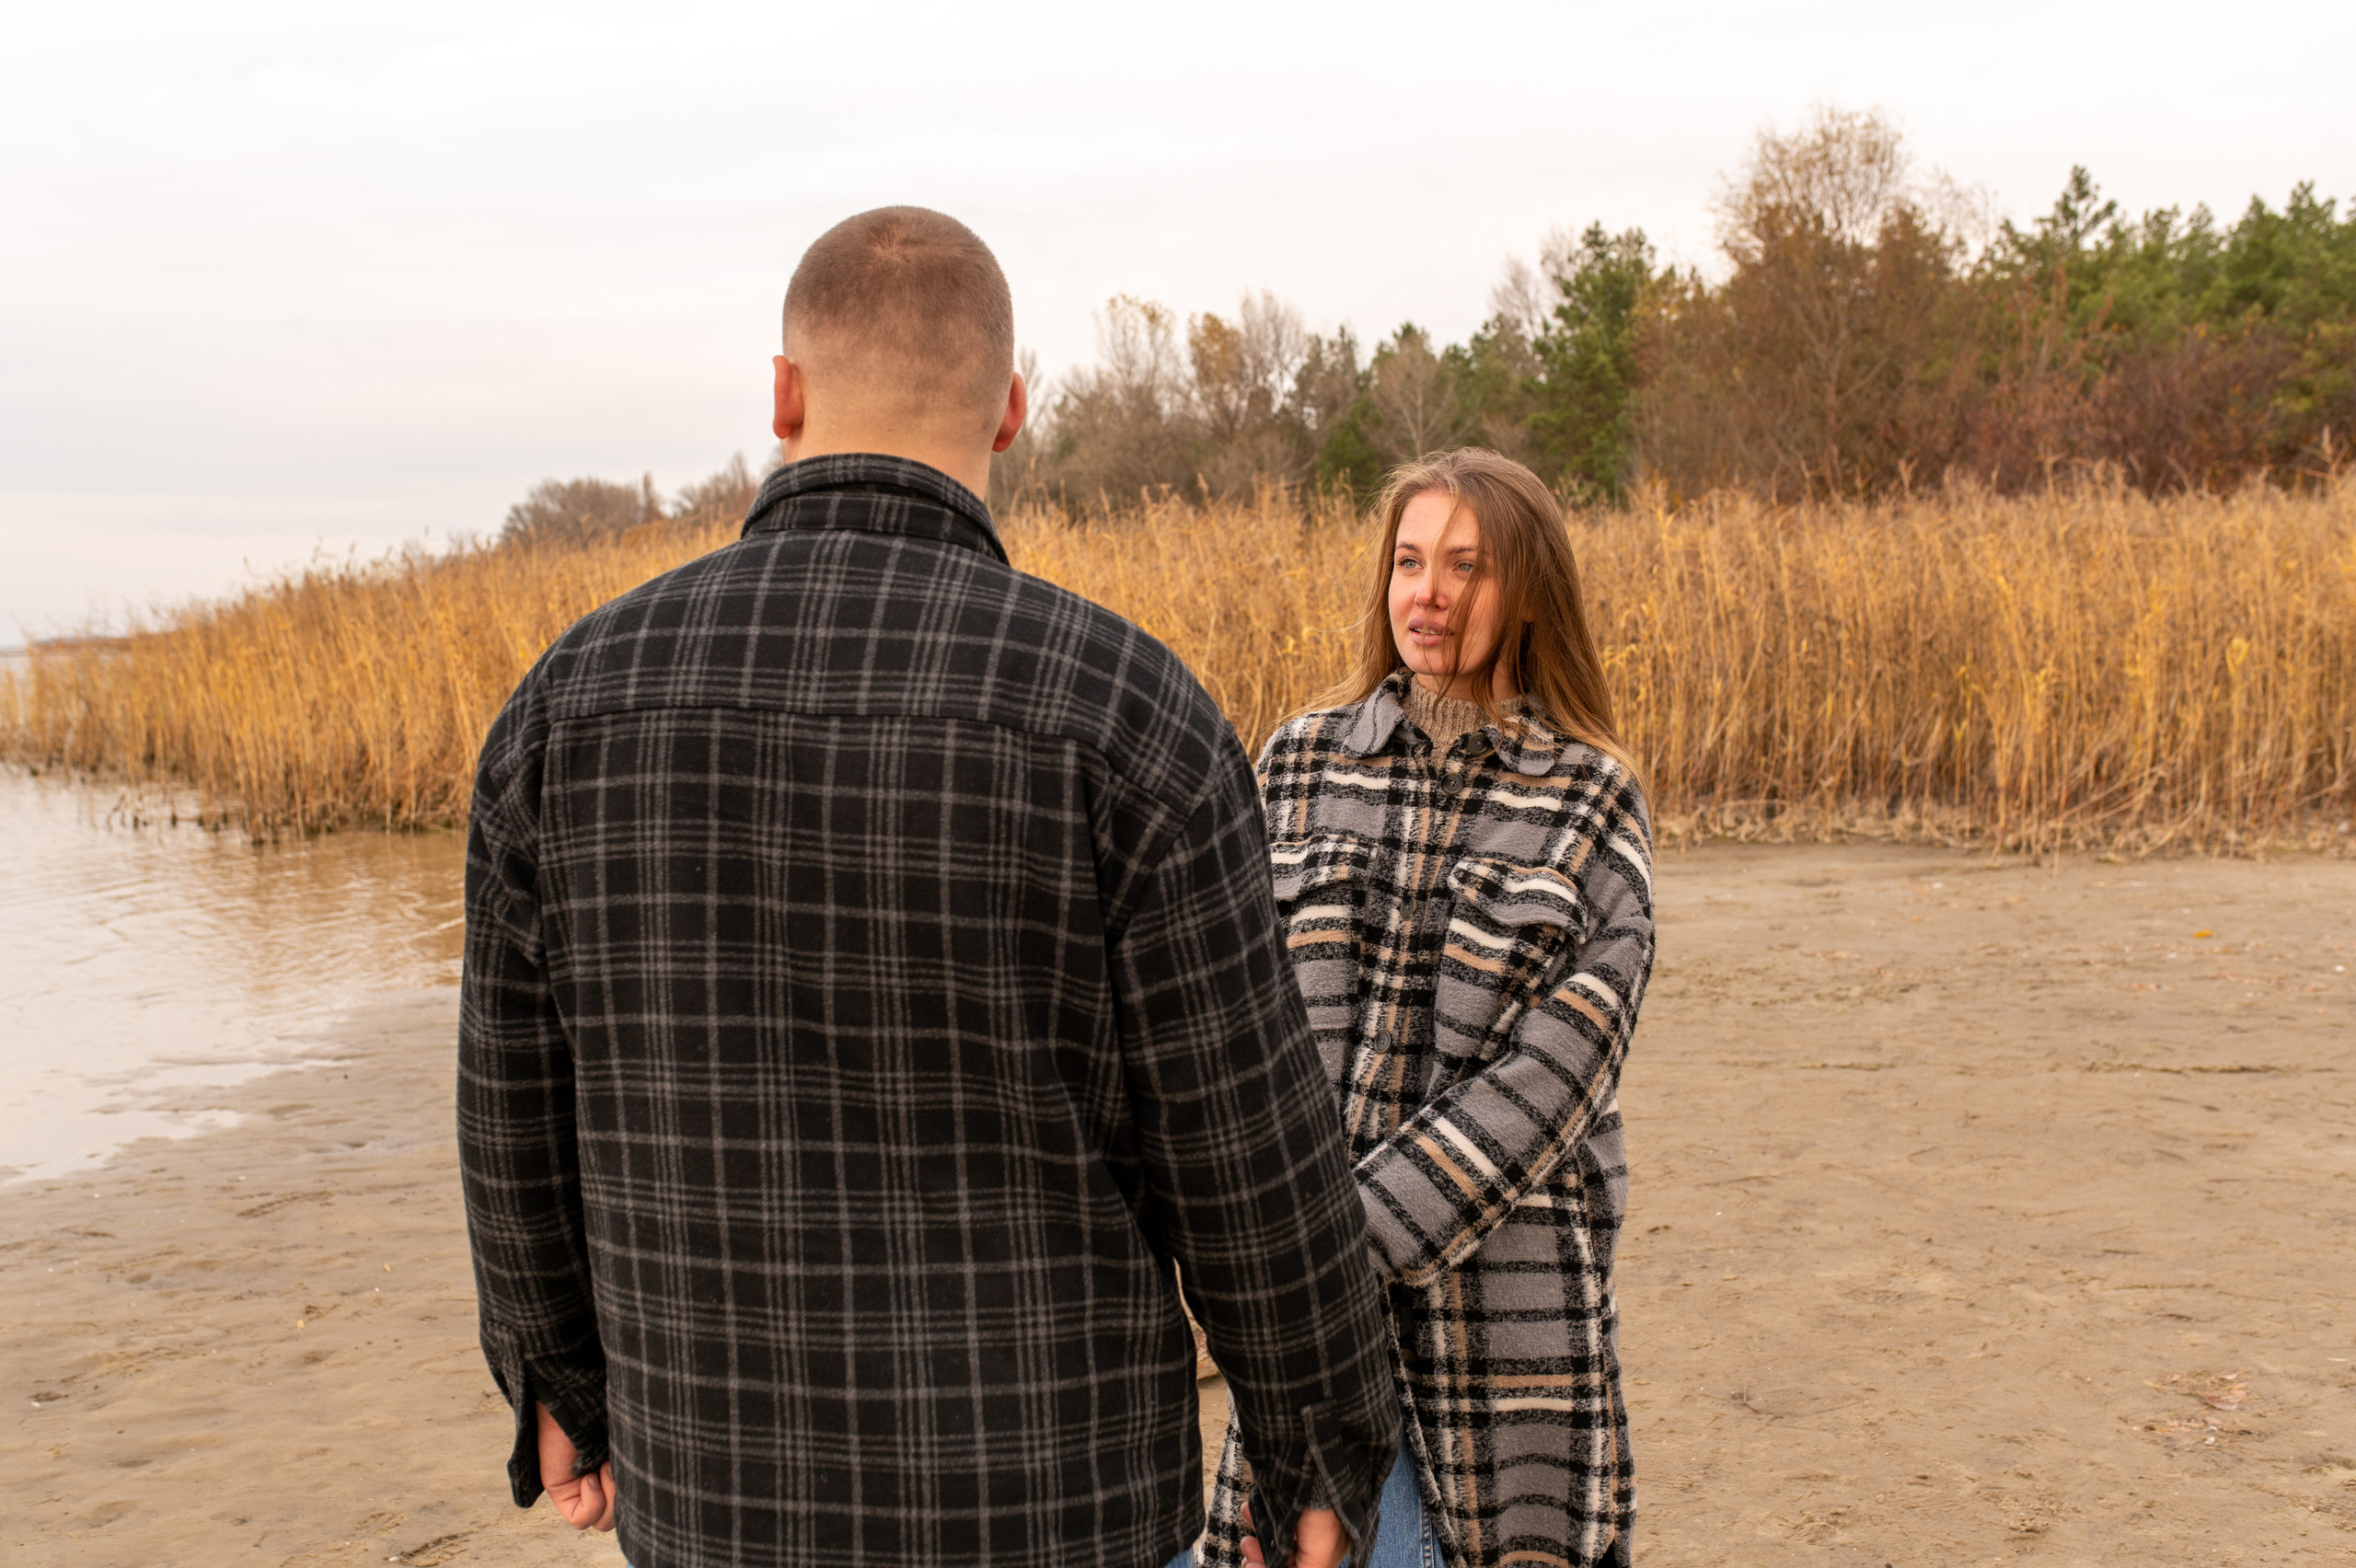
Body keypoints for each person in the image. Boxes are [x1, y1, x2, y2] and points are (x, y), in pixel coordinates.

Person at [457, 205, 1399, 1568]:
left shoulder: (568, 707)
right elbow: (1249, 1143)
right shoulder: (1126, 709)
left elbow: (513, 1107)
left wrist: (554, 1375)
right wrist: (1317, 1444)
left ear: (782, 396)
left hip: (719, 1484)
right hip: (1049, 1494)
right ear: (1013, 409)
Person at [1205, 449, 1655, 1568]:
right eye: (1408, 561)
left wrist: (1324, 1239)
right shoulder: (1300, 765)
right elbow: (1235, 1023)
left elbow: (1558, 1070)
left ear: (1529, 589)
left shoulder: (1590, 798)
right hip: (1316, 1341)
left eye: (1466, 566)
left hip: (1507, 1310)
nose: (1429, 593)